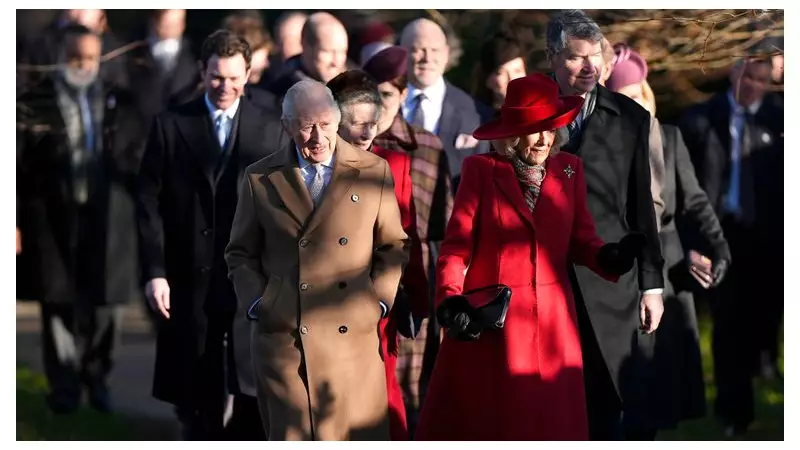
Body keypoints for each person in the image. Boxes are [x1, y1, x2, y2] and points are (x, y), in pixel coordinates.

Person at [414, 74, 645, 440]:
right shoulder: (481, 172)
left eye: (550, 129)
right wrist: (451, 299)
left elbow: (582, 240)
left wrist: (610, 257)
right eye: (534, 130)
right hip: (497, 321)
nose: (543, 140)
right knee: (502, 424)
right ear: (512, 134)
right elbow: (457, 247)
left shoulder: (569, 171)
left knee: (552, 424)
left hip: (554, 321)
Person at [224, 79, 409, 441]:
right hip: (286, 341)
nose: (317, 137)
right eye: (307, 126)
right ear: (287, 125)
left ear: (338, 122)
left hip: (352, 337)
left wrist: (379, 302)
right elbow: (239, 253)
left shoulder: (373, 170)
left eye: (325, 124)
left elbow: (393, 245)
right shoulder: (260, 177)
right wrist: (261, 303)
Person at [135, 29, 288, 440]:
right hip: (188, 277)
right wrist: (155, 271)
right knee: (194, 389)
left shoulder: (270, 128)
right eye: (217, 77)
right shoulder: (171, 125)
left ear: (249, 73)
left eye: (234, 78)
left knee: (250, 383)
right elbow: (147, 202)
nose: (225, 87)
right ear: (202, 72)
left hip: (249, 276)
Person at [545, 10, 665, 440]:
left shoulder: (632, 119)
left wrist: (652, 284)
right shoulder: (528, 111)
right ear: (553, 58)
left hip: (611, 280)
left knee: (613, 406)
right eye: (577, 58)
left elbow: (642, 207)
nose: (590, 67)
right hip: (545, 280)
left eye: (596, 56)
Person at [16, 24, 146, 414]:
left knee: (107, 306)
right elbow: (18, 165)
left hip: (109, 218)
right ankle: (64, 387)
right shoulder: (34, 101)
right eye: (76, 58)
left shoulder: (118, 100)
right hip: (53, 218)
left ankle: (98, 377)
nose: (84, 66)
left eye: (91, 58)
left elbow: (135, 155)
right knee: (58, 304)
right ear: (62, 55)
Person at [607, 43, 732, 435]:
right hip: (625, 268)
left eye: (641, 92)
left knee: (665, 378)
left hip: (670, 264)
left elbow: (694, 200)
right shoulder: (605, 147)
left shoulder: (671, 138)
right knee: (634, 379)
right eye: (626, 96)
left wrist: (719, 245)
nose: (637, 102)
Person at [679, 55, 783, 437]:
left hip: (769, 241)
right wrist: (695, 243)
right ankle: (732, 414)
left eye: (761, 79)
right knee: (728, 324)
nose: (753, 85)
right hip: (720, 236)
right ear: (733, 71)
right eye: (748, 76)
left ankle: (761, 387)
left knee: (762, 321)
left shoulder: (782, 120)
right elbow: (686, 193)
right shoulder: (700, 119)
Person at [326, 70, 429, 440]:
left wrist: (417, 299)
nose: (369, 133)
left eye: (374, 123)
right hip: (324, 306)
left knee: (383, 404)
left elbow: (407, 236)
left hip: (377, 305)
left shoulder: (394, 164)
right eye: (358, 124)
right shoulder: (316, 168)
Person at [362, 45, 454, 432]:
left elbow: (443, 229)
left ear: (403, 95)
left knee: (412, 399)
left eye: (386, 95)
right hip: (359, 287)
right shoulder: (348, 146)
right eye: (371, 96)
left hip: (412, 285)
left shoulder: (427, 148)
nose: (378, 106)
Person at [399, 18, 493, 187]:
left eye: (435, 50)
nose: (427, 58)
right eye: (419, 49)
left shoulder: (476, 113)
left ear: (446, 53)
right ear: (401, 53)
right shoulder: (382, 106)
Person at [127, 9, 200, 135]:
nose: (172, 27)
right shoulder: (132, 50)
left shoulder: (194, 54)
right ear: (154, 20)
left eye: (178, 22)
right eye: (167, 23)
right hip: (142, 134)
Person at [266, 12, 348, 99]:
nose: (336, 62)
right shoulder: (276, 97)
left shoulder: (358, 88)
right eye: (327, 51)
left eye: (342, 52)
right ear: (305, 45)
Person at [472, 31, 528, 115]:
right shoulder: (472, 118)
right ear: (487, 79)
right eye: (501, 73)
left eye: (517, 71)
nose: (512, 79)